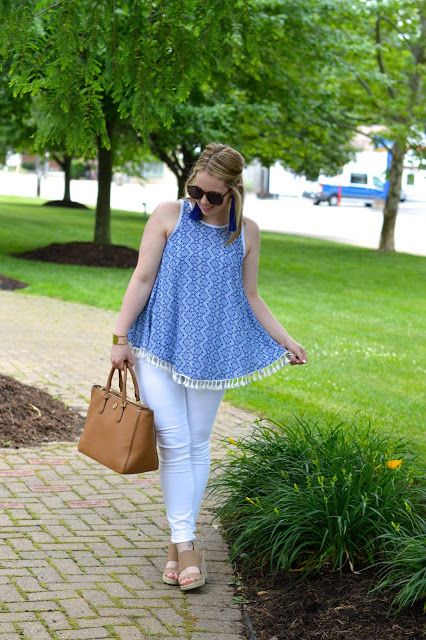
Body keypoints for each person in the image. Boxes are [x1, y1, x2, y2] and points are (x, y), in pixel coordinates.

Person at [111, 143, 307, 592]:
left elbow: (252, 296)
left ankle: (177, 545)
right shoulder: (167, 216)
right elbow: (141, 278)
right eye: (195, 190)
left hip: (211, 352)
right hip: (157, 342)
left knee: (197, 443)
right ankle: (187, 543)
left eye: (213, 196)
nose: (201, 202)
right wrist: (119, 337)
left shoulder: (247, 233)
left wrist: (287, 340)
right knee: (174, 439)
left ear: (234, 192)